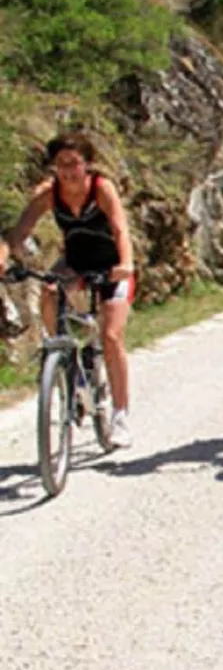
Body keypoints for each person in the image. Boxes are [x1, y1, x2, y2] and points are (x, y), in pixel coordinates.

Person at [0, 132, 136, 447]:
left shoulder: (102, 188)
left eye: (74, 163)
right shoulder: (49, 194)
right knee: (49, 289)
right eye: (61, 164)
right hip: (75, 264)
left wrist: (126, 264)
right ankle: (64, 360)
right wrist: (7, 256)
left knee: (112, 336)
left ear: (87, 164)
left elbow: (120, 229)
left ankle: (120, 414)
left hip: (112, 265)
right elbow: (18, 232)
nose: (68, 171)